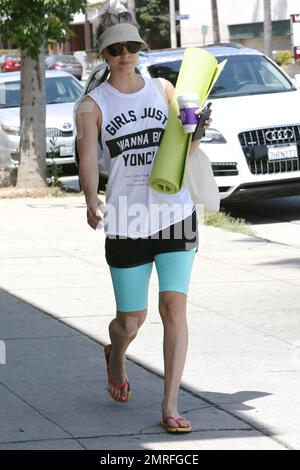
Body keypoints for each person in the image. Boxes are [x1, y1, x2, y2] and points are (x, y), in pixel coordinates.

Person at [76, 1, 210, 434]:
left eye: (132, 46)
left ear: (141, 48)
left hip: (176, 214)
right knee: (131, 320)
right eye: (116, 49)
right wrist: (91, 199)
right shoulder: (92, 105)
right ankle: (116, 353)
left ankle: (170, 404)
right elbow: (88, 158)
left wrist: (197, 129)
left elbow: (182, 153)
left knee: (174, 307)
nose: (126, 55)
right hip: (128, 219)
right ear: (104, 55)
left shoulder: (165, 90)